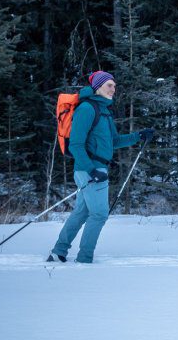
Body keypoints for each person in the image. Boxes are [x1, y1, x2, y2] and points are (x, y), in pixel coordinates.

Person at [48, 71, 153, 263]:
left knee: (82, 212)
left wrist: (139, 136)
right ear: (98, 87)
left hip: (95, 169)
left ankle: (58, 252)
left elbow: (113, 141)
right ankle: (85, 258)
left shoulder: (104, 111)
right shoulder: (87, 108)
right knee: (99, 214)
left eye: (114, 85)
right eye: (109, 85)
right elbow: (76, 144)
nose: (114, 89)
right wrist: (91, 170)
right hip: (89, 169)